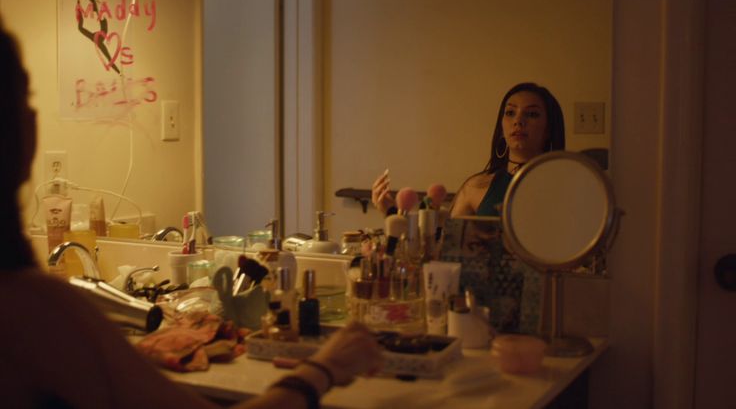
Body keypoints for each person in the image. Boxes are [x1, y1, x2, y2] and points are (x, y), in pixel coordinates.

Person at [0, 20, 382, 409]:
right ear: (20, 133)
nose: (34, 116)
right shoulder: (36, 312)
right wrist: (325, 368)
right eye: (25, 100)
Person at [371, 82, 565, 217]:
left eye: (532, 114)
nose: (518, 121)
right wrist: (391, 213)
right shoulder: (476, 187)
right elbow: (442, 249)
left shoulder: (566, 186)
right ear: (501, 125)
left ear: (549, 128)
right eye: (510, 112)